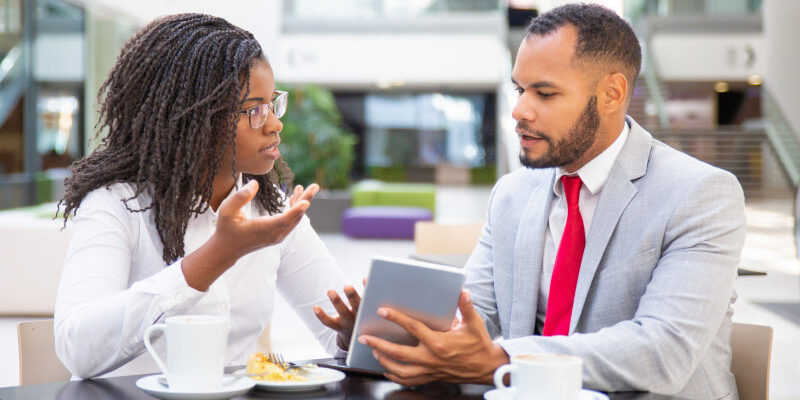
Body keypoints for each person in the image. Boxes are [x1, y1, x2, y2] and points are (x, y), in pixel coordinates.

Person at [355, 4, 745, 399]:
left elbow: (662, 351)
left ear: (612, 93)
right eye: (520, 89)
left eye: (544, 93)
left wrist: (501, 360)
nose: (519, 110)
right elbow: (475, 317)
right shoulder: (512, 194)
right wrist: (388, 334)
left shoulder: (700, 194)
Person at [54, 13, 360, 379]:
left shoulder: (272, 210)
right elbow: (77, 348)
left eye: (273, 103)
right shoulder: (115, 204)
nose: (275, 124)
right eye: (255, 110)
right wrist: (219, 253)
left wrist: (349, 333)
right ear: (194, 117)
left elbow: (333, 333)